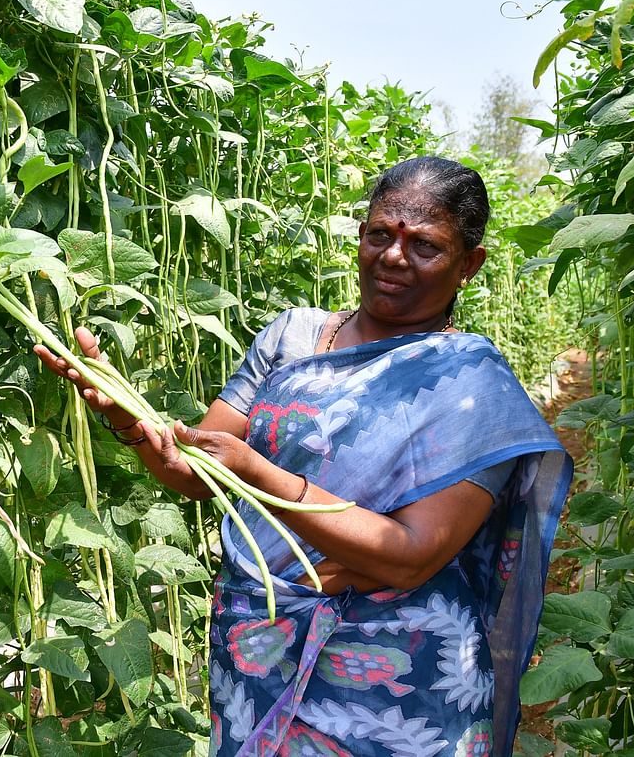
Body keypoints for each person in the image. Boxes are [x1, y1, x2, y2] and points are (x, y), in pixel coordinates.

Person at [35, 156, 572, 757]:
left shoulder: (473, 388)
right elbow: (197, 472)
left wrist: (259, 473)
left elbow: (409, 556)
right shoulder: (291, 337)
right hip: (258, 641)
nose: (393, 257)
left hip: (401, 672)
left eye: (425, 245)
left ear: (469, 264)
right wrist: (123, 413)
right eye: (379, 234)